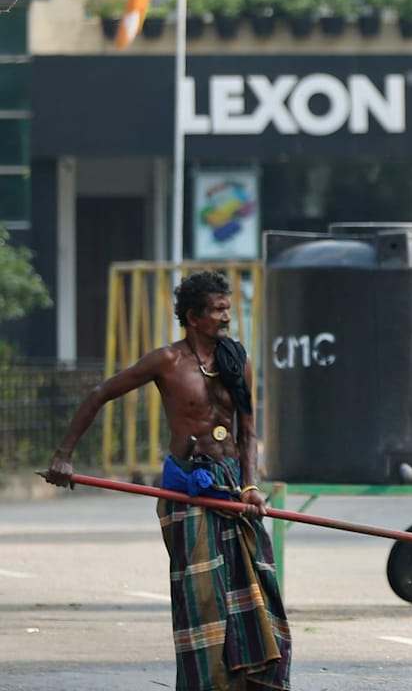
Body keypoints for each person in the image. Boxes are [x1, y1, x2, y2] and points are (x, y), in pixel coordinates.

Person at [46, 269, 291, 690]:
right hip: (189, 490)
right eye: (217, 310)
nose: (226, 317)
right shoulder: (167, 361)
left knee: (256, 589)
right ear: (194, 317)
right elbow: (99, 394)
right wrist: (63, 456)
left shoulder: (237, 361)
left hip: (233, 486)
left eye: (227, 308)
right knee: (202, 598)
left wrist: (250, 484)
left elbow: (248, 431)